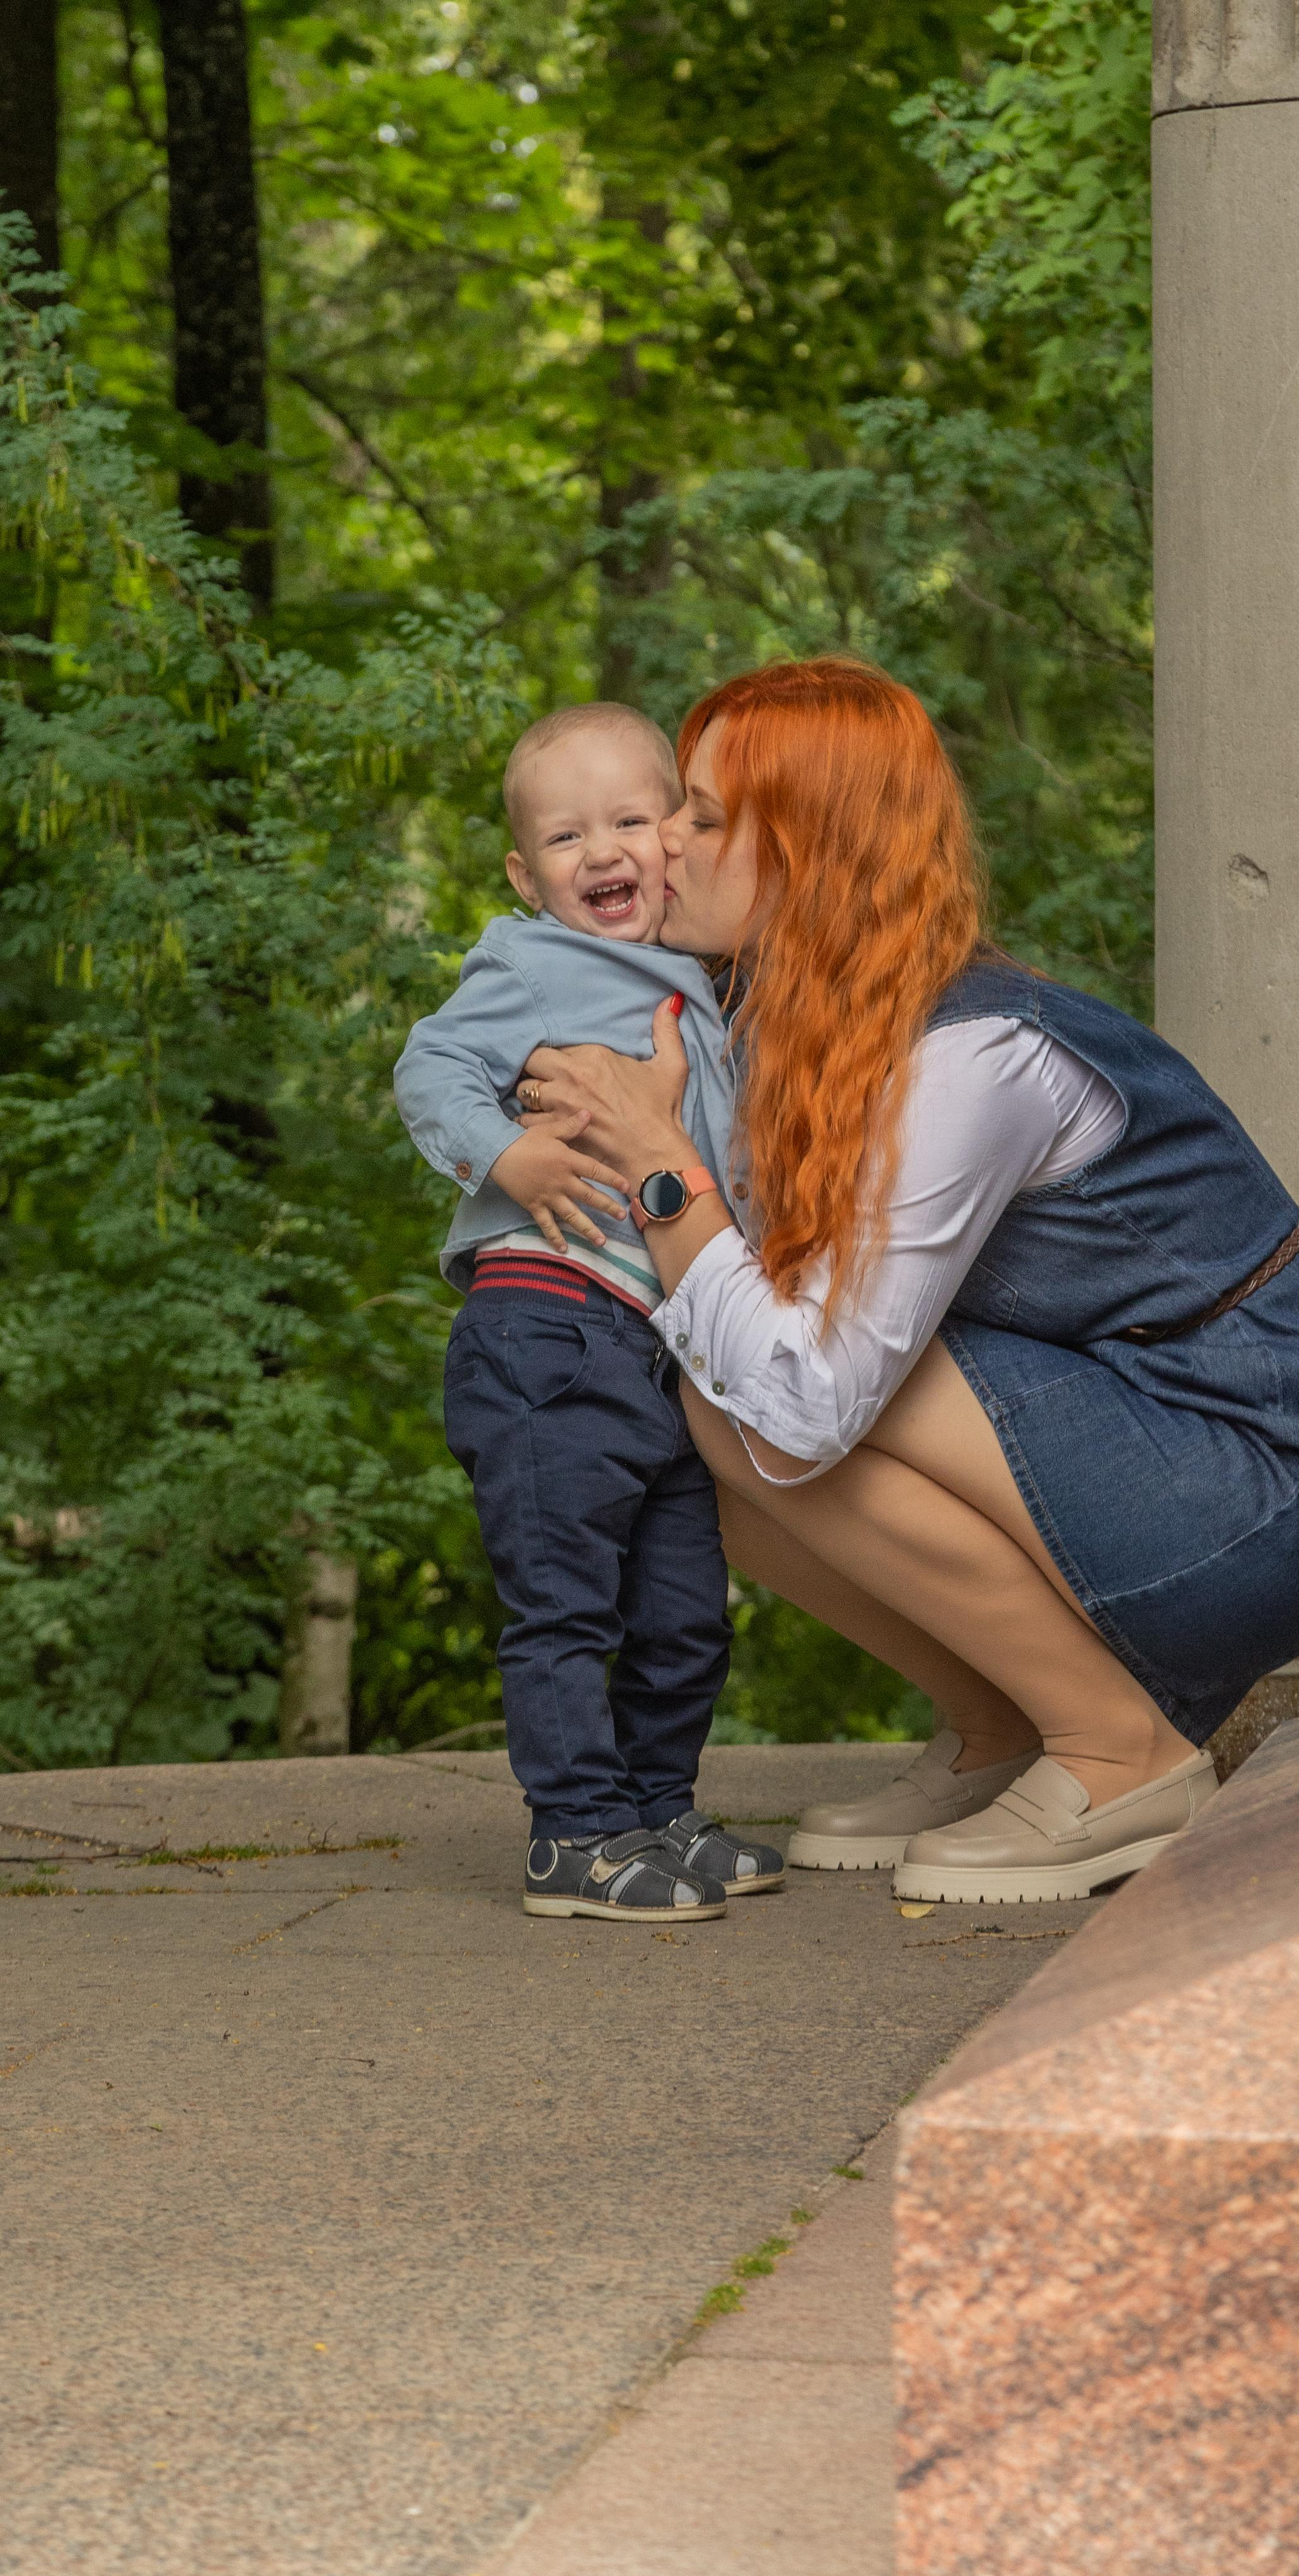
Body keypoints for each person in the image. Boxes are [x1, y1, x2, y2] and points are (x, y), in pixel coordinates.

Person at [513, 659, 1299, 1907]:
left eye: (703, 817)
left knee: (750, 1407)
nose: (662, 842)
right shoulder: (776, 1026)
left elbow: (808, 1397)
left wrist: (662, 1169)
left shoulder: (972, 1056)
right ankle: (1005, 1732)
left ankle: (1121, 1752)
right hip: (1129, 1435)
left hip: (1261, 1480)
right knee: (679, 1408)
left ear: (809, 850)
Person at [393, 701, 784, 1924]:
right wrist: (506, 1157)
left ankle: (652, 1808)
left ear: (677, 833)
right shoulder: (529, 961)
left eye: (630, 820)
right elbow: (428, 1068)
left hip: (658, 1345)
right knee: (567, 1601)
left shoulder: (708, 976)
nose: (603, 853)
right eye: (567, 838)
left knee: (681, 1608)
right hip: (546, 1322)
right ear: (524, 872)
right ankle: (573, 1834)